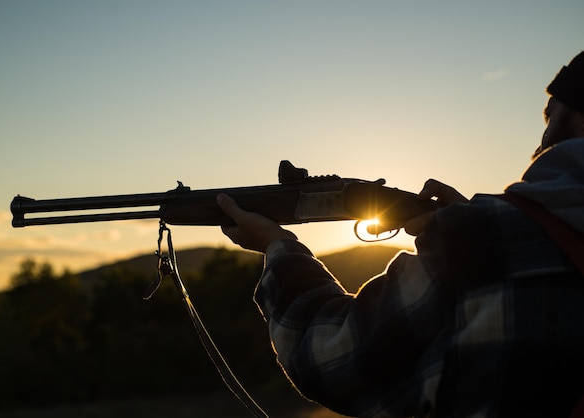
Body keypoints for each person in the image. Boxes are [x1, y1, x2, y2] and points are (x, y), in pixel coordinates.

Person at [217, 50, 584, 418]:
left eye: (553, 115)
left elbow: (328, 358)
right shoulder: (484, 231)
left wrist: (278, 248)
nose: (544, 136)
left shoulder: (480, 238)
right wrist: (467, 222)